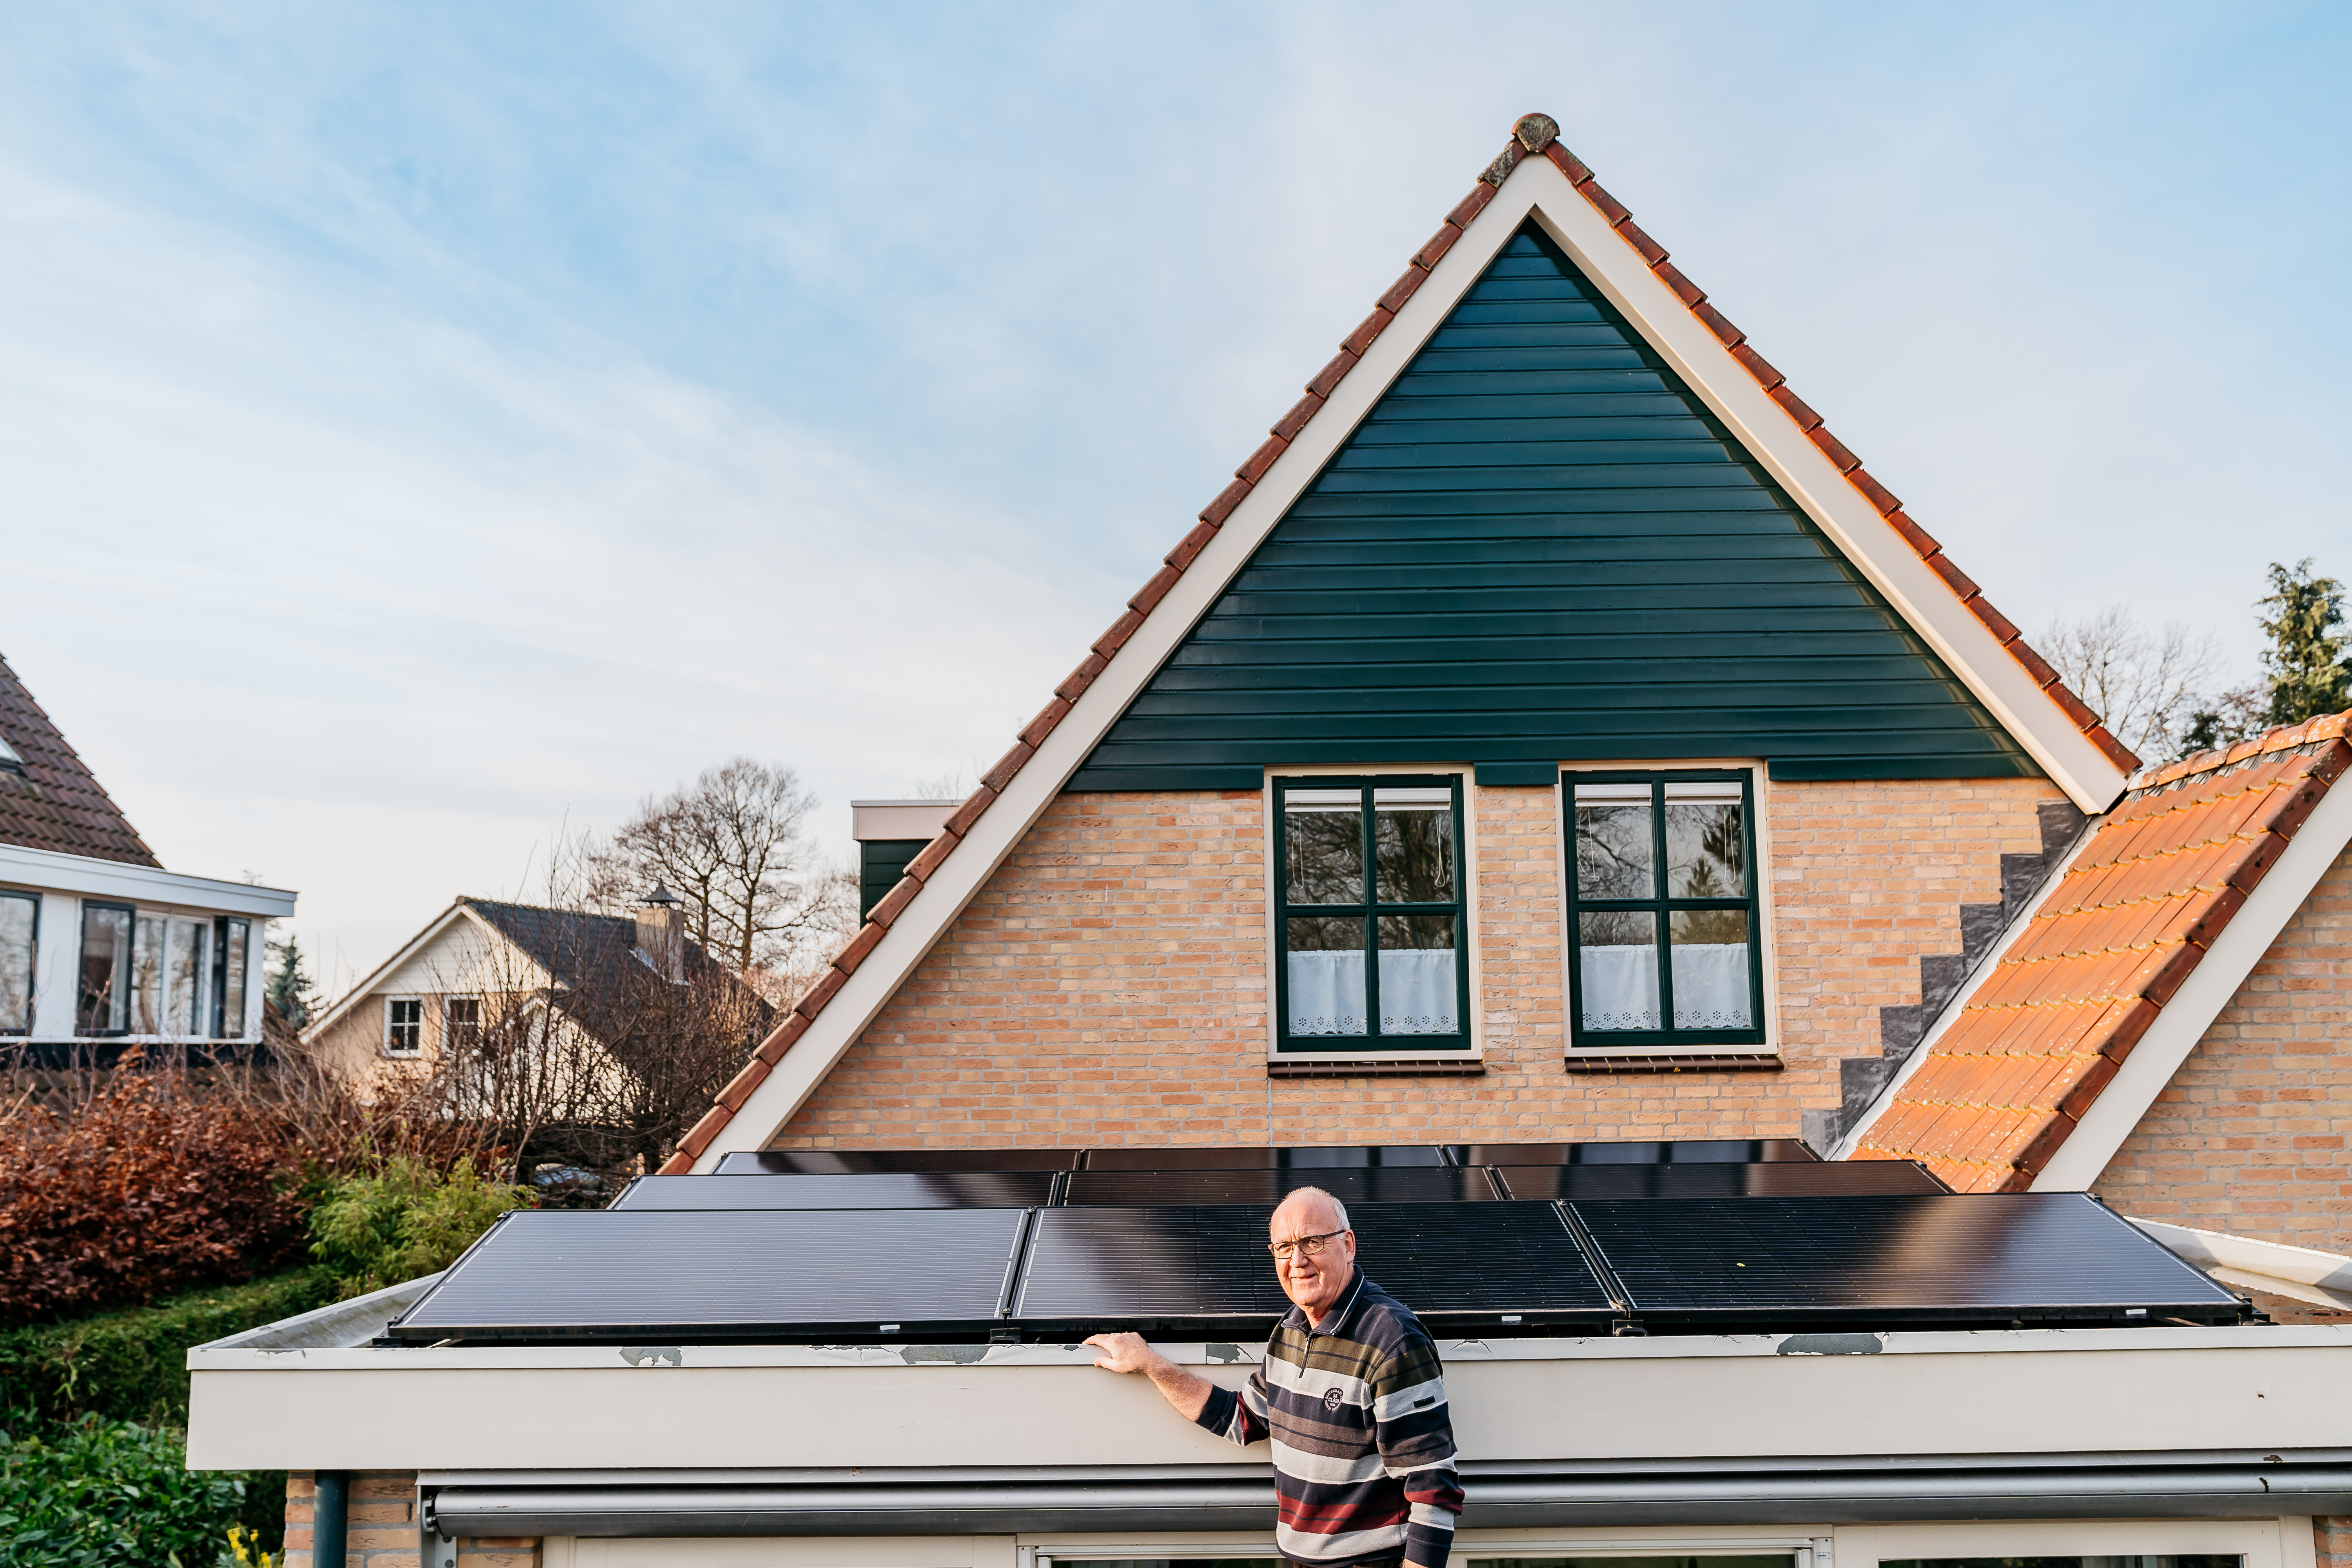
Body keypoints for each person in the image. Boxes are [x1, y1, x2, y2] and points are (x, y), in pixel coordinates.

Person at [1085, 1186, 1463, 1568]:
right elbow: (1241, 1418)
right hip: (1301, 1560)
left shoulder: (1391, 1338)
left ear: (1348, 1245)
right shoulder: (1290, 1330)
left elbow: (1432, 1485)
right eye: (1283, 1247)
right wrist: (1152, 1364)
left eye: (1312, 1242)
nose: (1297, 1260)